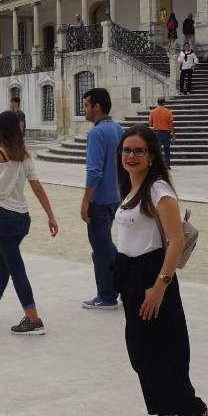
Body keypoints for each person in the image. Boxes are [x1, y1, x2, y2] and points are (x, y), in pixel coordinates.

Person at [113, 125, 208, 416]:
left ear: (151, 157)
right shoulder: (133, 187)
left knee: (161, 356)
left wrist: (159, 286)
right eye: (126, 150)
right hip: (133, 277)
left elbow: (176, 241)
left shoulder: (158, 190)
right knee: (142, 353)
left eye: (138, 151)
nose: (131, 156)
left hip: (153, 277)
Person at [0, 110, 59, 336]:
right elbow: (37, 187)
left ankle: (33, 319)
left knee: (16, 266)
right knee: (7, 261)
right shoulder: (25, 156)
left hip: (4, 217)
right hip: (23, 218)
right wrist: (51, 215)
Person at [80, 87, 124, 309]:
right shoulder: (118, 129)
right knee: (107, 245)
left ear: (97, 106)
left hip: (99, 200)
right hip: (114, 197)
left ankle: (107, 295)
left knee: (101, 249)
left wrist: (85, 200)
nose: (84, 109)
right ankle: (125, 283)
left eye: (86, 104)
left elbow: (94, 170)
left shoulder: (96, 133)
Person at [148, 96, 175, 166]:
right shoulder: (168, 112)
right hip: (166, 133)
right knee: (167, 149)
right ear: (164, 103)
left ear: (157, 102)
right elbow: (171, 124)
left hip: (156, 132)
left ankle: (157, 164)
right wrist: (173, 136)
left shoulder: (152, 112)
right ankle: (167, 164)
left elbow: (150, 123)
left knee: (157, 149)